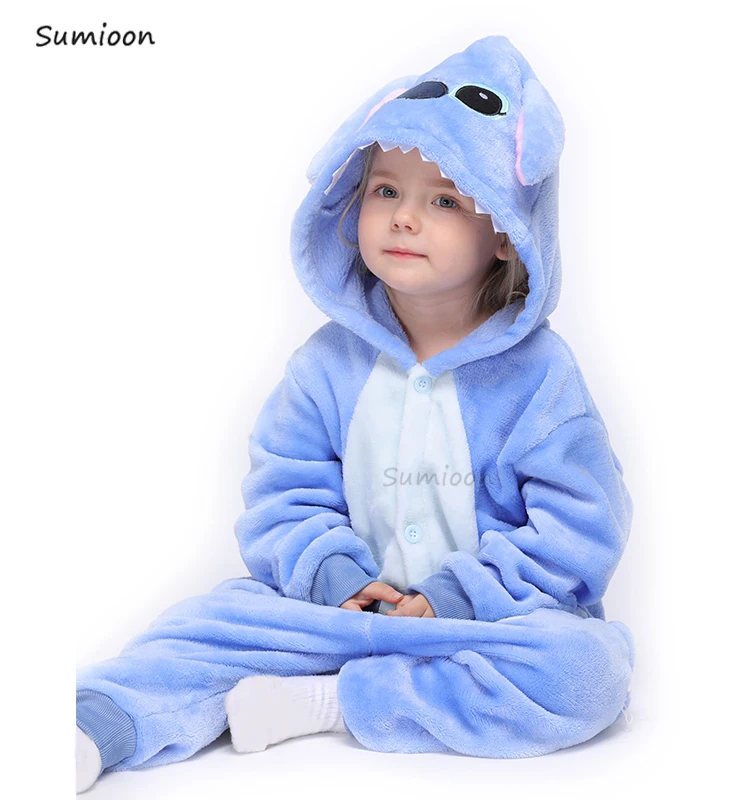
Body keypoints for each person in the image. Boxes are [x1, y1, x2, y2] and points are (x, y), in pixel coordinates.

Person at [75, 34, 636, 793]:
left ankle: (333, 701)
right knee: (199, 625)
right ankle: (94, 726)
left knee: (586, 674)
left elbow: (581, 527)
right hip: (331, 611)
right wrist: (332, 574)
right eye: (385, 191)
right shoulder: (325, 366)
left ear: (507, 233)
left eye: (445, 200)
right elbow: (284, 491)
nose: (404, 218)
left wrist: (456, 596)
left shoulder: (541, 379)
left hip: (483, 628)